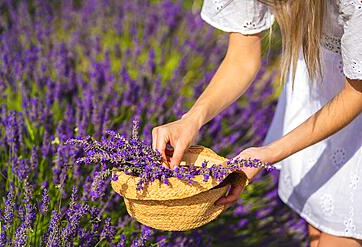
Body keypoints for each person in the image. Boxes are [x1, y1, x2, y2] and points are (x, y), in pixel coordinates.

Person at [152, 0, 362, 246]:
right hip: (318, 85)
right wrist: (191, 119)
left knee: (337, 233)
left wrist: (268, 153)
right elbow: (242, 59)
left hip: (352, 100)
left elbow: (356, 93)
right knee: (317, 224)